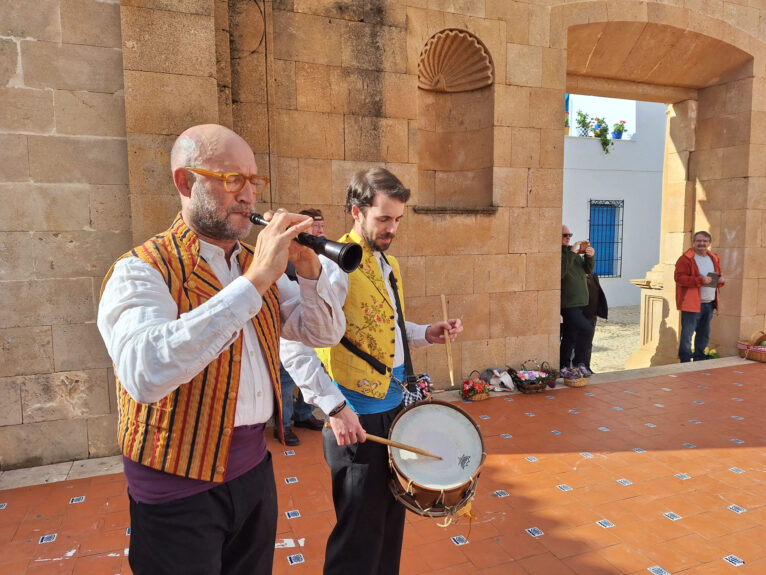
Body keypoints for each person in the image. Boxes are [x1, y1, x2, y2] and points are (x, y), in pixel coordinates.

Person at [96, 124, 346, 575]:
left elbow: (322, 332)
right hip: (176, 491)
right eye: (232, 180)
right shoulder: (140, 270)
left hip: (254, 475)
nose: (249, 196)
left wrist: (309, 272)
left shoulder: (256, 265)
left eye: (254, 181)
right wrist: (254, 282)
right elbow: (144, 373)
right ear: (184, 182)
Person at [282, 167, 463, 575]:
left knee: (389, 522)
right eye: (383, 219)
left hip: (394, 412)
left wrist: (425, 333)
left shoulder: (388, 263)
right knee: (358, 538)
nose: (392, 228)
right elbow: (295, 342)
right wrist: (332, 407)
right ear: (356, 212)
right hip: (355, 418)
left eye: (398, 219)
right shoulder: (333, 265)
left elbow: (383, 330)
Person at [275, 208, 329, 446]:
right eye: (315, 227)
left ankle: (303, 416)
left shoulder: (325, 250)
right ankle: (283, 426)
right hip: (291, 327)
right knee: (287, 380)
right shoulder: (288, 252)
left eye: (321, 227)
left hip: (315, 324)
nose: (320, 231)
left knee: (315, 370)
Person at [674, 230, 725, 362]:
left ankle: (699, 359)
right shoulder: (686, 259)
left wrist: (720, 281)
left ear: (709, 243)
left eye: (705, 241)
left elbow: (716, 277)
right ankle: (684, 361)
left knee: (704, 334)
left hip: (709, 303)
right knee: (687, 335)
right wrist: (700, 280)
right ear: (693, 242)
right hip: (691, 304)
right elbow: (679, 278)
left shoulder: (713, 257)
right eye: (699, 241)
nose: (702, 243)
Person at [560, 225, 596, 376]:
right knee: (586, 329)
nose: (568, 237)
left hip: (581, 302)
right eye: (564, 235)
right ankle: (580, 363)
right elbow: (560, 271)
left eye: (570, 235)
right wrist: (573, 253)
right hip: (569, 304)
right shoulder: (562, 254)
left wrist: (590, 257)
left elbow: (588, 270)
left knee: (570, 336)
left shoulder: (571, 254)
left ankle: (562, 366)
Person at [581, 272, 608, 373]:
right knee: (575, 343)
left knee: (588, 344)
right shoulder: (577, 277)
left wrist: (598, 311)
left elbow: (598, 295)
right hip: (579, 315)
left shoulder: (594, 276)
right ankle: (574, 367)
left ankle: (586, 367)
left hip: (591, 316)